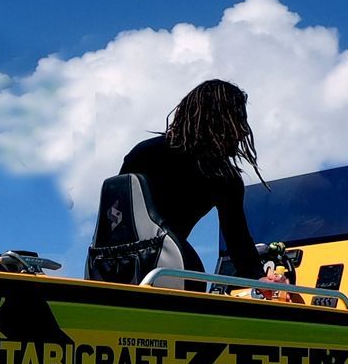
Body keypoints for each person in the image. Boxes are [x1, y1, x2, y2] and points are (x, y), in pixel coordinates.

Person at [118, 79, 276, 284]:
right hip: (157, 268)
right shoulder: (148, 156)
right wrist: (257, 277)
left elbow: (238, 240)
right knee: (193, 275)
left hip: (112, 266)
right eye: (238, 119)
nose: (244, 131)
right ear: (217, 119)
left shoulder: (224, 177)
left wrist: (260, 278)